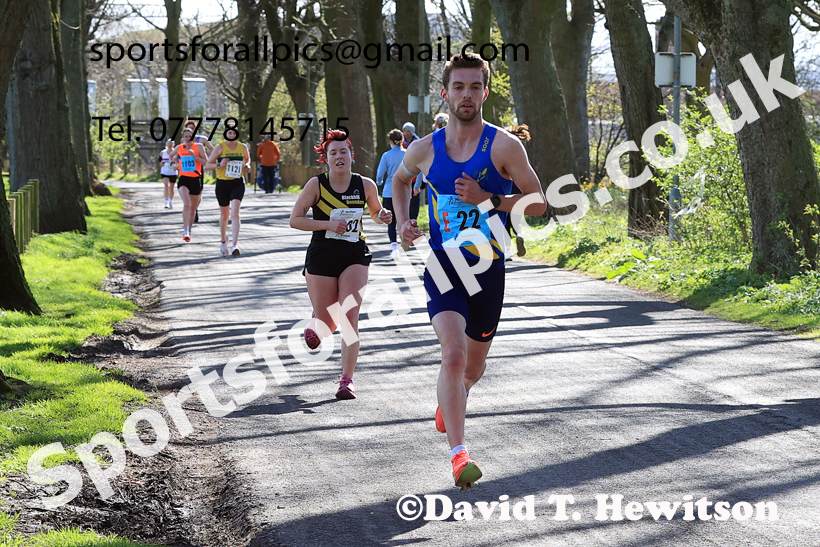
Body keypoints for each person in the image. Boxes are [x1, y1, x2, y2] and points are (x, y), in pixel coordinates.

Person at [392, 53, 547, 491]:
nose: (466, 95)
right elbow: (400, 183)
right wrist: (404, 221)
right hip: (443, 266)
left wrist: (489, 199)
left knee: (472, 371)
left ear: (484, 92)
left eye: (474, 87)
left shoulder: (503, 147)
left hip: (488, 268)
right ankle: (460, 455)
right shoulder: (424, 148)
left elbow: (538, 203)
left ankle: (453, 400)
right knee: (453, 355)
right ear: (445, 93)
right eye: (458, 87)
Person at [289, 130, 393, 400]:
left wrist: (383, 215)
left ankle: (346, 380)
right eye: (333, 153)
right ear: (326, 159)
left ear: (351, 156)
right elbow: (295, 220)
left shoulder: (365, 185)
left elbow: (374, 211)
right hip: (322, 255)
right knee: (327, 323)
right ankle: (317, 321)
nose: (339, 157)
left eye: (343, 152)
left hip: (354, 255)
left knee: (349, 317)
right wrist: (327, 224)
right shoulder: (316, 185)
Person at [205, 125, 250, 257]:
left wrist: (247, 165)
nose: (231, 135)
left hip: (237, 182)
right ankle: (223, 240)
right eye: (229, 133)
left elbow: (247, 158)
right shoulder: (220, 147)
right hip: (222, 184)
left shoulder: (243, 147)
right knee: (225, 215)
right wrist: (220, 164)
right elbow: (208, 164)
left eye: (234, 133)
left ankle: (235, 244)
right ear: (226, 134)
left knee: (235, 212)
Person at [375, 129, 409, 256]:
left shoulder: (386, 156)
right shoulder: (408, 154)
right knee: (404, 217)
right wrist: (416, 185)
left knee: (391, 221)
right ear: (402, 140)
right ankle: (405, 237)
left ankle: (394, 248)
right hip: (405, 192)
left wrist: (379, 182)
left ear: (390, 141)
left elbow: (379, 174)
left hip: (389, 192)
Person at [171, 128, 207, 242]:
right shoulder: (180, 147)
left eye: (190, 136)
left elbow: (206, 162)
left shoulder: (199, 147)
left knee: (192, 209)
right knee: (186, 204)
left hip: (196, 179)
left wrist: (195, 157)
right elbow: (171, 155)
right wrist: (174, 164)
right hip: (183, 179)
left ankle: (189, 229)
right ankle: (185, 230)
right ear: (183, 138)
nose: (188, 139)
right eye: (186, 136)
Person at [159, 139, 178, 209]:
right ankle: (166, 202)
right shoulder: (162, 153)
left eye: (171, 145)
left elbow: (178, 162)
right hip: (165, 172)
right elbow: (160, 162)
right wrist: (161, 163)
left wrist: (176, 165)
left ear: (173, 145)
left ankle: (170, 201)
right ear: (166, 145)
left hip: (173, 172)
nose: (169, 146)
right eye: (168, 144)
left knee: (171, 188)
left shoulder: (176, 153)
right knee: (166, 185)